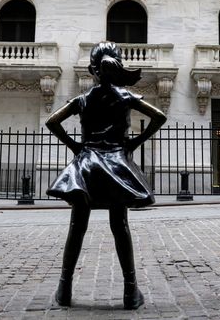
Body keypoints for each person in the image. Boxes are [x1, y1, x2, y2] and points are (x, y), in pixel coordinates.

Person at [45, 42, 166, 310]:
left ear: (93, 70)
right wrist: (134, 142)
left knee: (77, 227)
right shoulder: (125, 96)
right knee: (120, 226)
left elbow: (52, 121)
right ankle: (130, 291)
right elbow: (159, 116)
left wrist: (76, 146)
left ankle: (64, 288)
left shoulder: (84, 99)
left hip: (87, 165)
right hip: (116, 163)